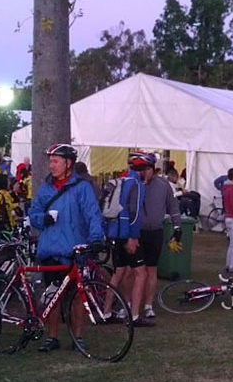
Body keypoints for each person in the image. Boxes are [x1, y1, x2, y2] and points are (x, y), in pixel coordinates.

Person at [28, 144, 104, 352]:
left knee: (77, 296)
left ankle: (77, 337)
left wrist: (96, 238)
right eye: (50, 161)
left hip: (74, 249)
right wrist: (42, 219)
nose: (51, 165)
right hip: (51, 249)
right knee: (53, 296)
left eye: (55, 161)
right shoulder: (45, 188)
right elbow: (33, 213)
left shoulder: (82, 188)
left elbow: (92, 215)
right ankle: (52, 337)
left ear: (68, 163)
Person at [102, 152, 149, 327]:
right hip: (127, 234)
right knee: (141, 273)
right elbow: (134, 214)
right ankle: (134, 316)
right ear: (144, 168)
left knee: (117, 274)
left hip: (115, 233)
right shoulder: (136, 184)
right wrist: (133, 237)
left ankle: (106, 313)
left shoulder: (121, 180)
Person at [135, 152, 182, 319]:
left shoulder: (163, 185)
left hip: (155, 231)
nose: (144, 172)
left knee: (151, 270)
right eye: (141, 169)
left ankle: (148, 305)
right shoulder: (134, 184)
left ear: (153, 169)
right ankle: (129, 304)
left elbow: (173, 207)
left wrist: (178, 228)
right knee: (132, 271)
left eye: (147, 169)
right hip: (136, 232)